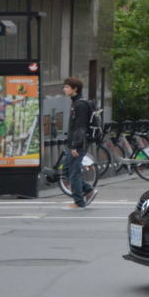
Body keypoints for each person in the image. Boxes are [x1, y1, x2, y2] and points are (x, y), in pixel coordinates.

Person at [62, 77, 96, 209]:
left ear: (75, 89)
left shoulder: (80, 105)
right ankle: (88, 189)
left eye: (67, 87)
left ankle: (78, 201)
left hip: (78, 143)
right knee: (66, 170)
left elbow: (80, 127)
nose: (64, 89)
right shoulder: (75, 103)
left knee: (74, 172)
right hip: (73, 142)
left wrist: (76, 145)